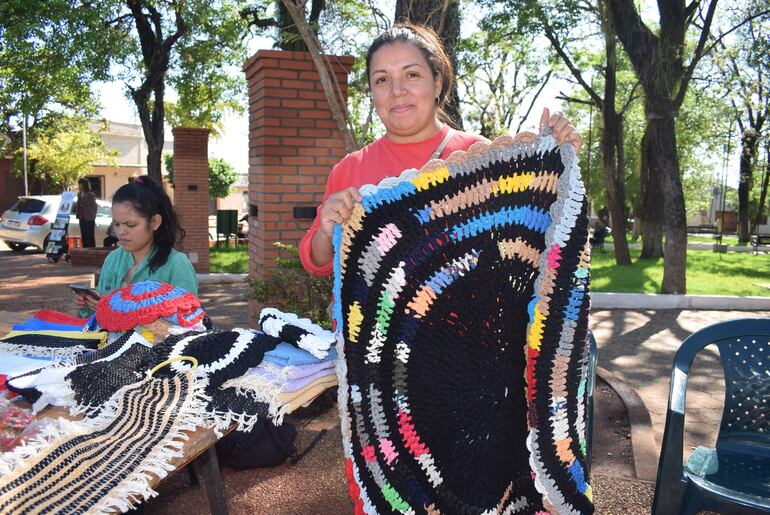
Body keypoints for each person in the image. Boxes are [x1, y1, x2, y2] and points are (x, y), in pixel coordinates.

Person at [299, 22, 582, 276]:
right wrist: (327, 229)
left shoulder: (481, 157)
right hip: (367, 332)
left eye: (412, 75)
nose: (397, 90)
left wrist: (557, 163)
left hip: (465, 331)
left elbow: (533, 236)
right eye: (382, 79)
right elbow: (316, 262)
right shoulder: (349, 169)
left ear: (437, 83)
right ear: (373, 92)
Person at [74, 175, 198, 315]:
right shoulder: (113, 259)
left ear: (154, 222)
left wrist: (119, 312)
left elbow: (189, 321)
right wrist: (89, 305)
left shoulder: (176, 265)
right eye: (116, 224)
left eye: (130, 225)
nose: (121, 232)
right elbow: (96, 318)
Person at [76, 177, 97, 248]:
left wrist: (92, 215)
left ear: (84, 185)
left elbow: (94, 206)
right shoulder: (79, 194)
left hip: (89, 218)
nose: (79, 186)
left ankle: (91, 250)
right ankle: (85, 249)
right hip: (81, 217)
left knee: (90, 236)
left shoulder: (90, 195)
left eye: (80, 184)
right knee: (84, 235)